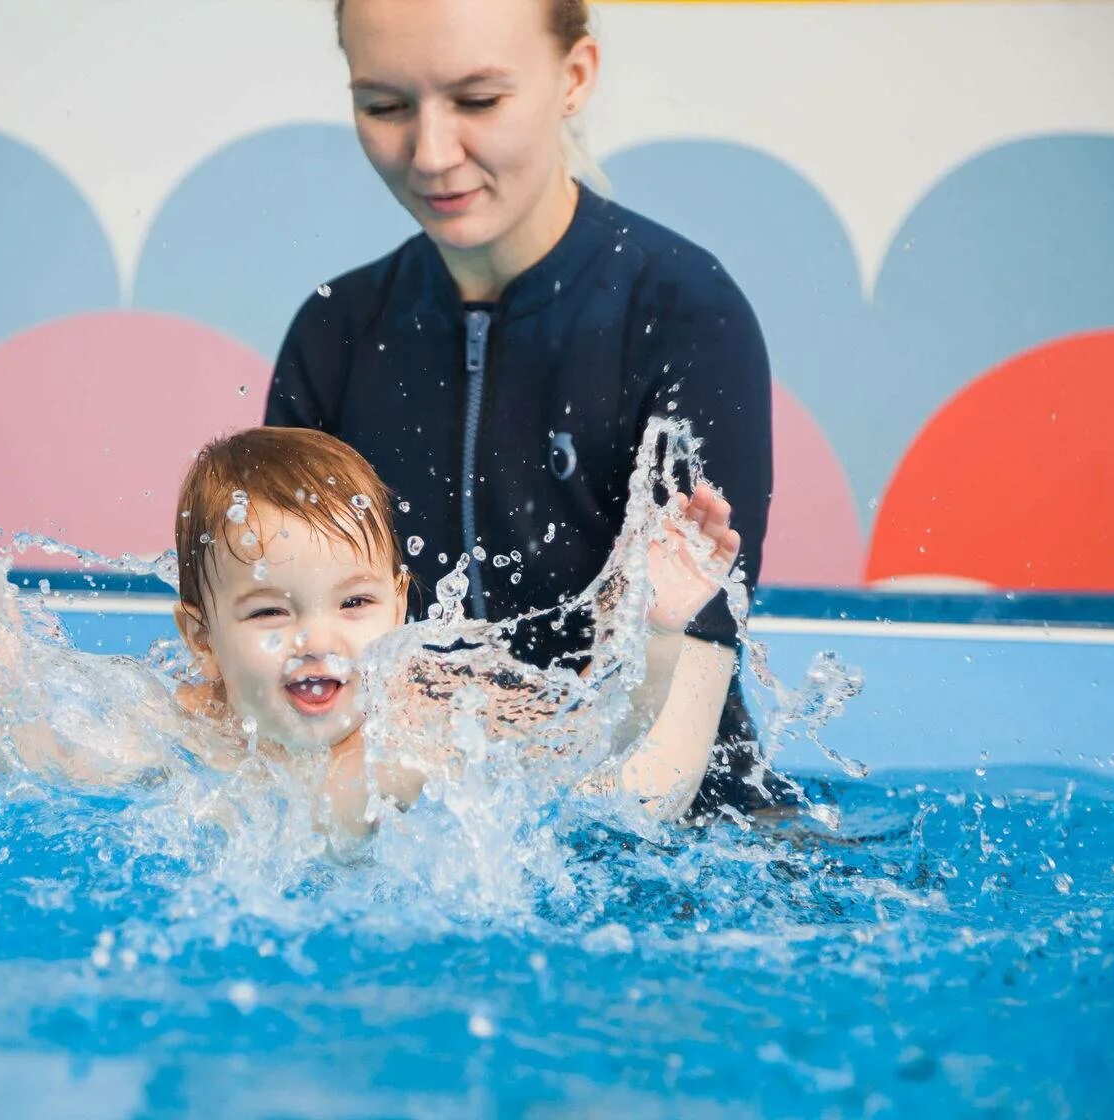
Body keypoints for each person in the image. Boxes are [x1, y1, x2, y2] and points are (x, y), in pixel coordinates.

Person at [266, 0, 779, 814]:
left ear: (574, 78)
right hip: (414, 837)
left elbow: (664, 771)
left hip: (689, 848)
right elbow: (272, 682)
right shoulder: (335, 335)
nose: (432, 155)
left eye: (478, 101)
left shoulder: (682, 319)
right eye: (385, 106)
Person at [0, 427, 745, 840]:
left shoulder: (424, 733)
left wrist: (656, 632)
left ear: (397, 605)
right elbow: (50, 764)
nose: (317, 641)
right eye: (271, 612)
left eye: (353, 606)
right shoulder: (179, 726)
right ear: (200, 635)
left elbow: (596, 741)